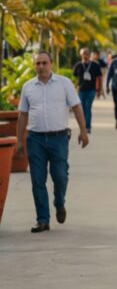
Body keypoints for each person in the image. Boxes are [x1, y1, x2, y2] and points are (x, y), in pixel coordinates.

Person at [14, 51, 89, 233]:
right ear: (34, 66)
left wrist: (83, 131)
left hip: (59, 138)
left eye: (44, 63)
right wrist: (19, 141)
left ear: (51, 64)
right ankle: (42, 220)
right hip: (35, 139)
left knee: (60, 176)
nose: (41, 66)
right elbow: (23, 114)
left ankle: (59, 201)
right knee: (37, 180)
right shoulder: (28, 87)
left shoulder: (64, 83)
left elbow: (77, 107)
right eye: (38, 63)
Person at [72, 48, 102, 133]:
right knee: (82, 109)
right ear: (81, 55)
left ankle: (87, 127)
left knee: (88, 107)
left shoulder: (95, 65)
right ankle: (83, 126)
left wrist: (100, 90)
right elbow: (75, 79)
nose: (85, 56)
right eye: (83, 54)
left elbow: (99, 78)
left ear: (89, 55)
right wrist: (73, 90)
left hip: (91, 90)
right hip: (81, 90)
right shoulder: (78, 65)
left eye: (86, 54)